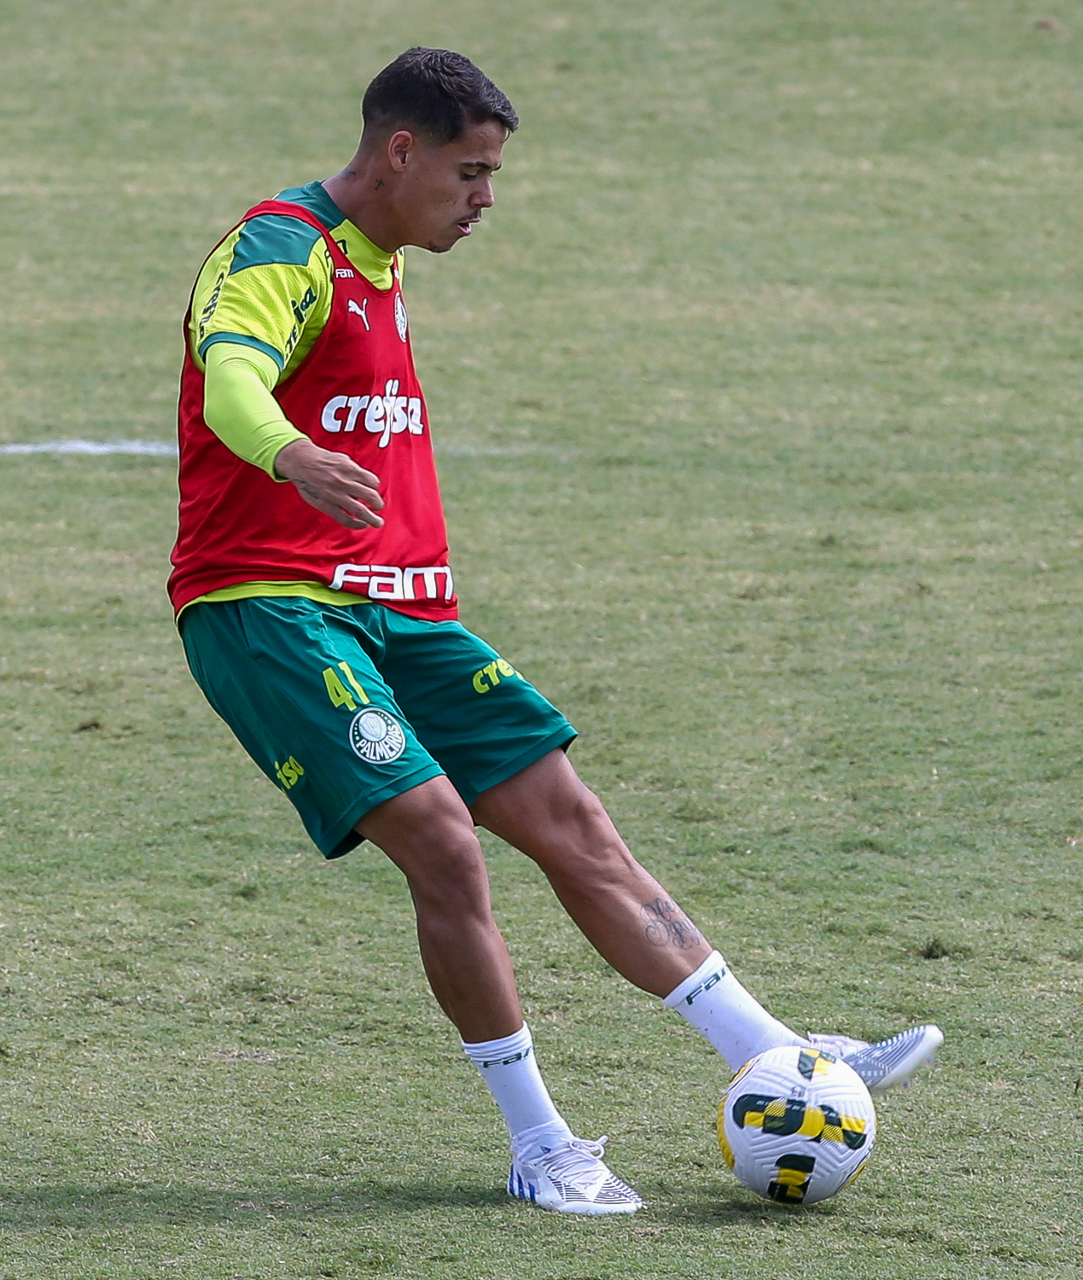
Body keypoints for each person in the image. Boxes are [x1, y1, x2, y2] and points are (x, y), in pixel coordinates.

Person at [169, 47, 943, 1216]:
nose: (487, 198)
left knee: (570, 816)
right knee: (445, 840)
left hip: (396, 606)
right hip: (267, 605)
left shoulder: (378, 258)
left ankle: (777, 1052)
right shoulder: (281, 249)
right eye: (471, 172)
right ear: (400, 151)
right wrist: (290, 452)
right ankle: (541, 1143)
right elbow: (231, 375)